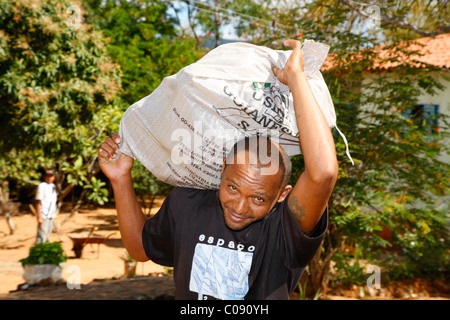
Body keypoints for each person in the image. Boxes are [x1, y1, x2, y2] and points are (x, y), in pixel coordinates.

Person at [98, 39, 338, 300]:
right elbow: (140, 249)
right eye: (233, 188)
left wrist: (296, 78)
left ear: (282, 195)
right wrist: (121, 178)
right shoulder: (188, 200)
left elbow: (323, 173)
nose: (240, 207)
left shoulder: (285, 227)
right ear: (223, 168)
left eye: (258, 198)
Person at [35, 169, 58, 244]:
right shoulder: (41, 186)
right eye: (48, 176)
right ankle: (38, 251)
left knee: (48, 235)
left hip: (51, 215)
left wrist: (54, 214)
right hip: (43, 215)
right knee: (42, 236)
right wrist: (39, 217)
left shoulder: (53, 186)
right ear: (44, 177)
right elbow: (38, 202)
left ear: (54, 177)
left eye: (51, 176)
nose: (49, 178)